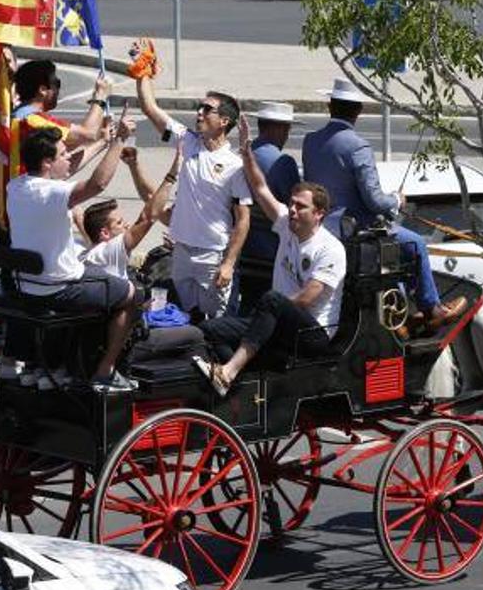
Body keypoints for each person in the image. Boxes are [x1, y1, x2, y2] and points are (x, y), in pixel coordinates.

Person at [193, 117, 346, 397]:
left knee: (271, 299)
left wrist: (267, 316)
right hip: (278, 320)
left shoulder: (330, 249)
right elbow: (261, 188)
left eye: (301, 207)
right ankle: (241, 391)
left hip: (312, 335)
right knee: (209, 329)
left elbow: (307, 299)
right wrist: (247, 153)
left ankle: (228, 372)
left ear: (319, 214)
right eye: (292, 204)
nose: (293, 210)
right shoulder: (287, 226)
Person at [302, 76, 467, 331]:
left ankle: (399, 315)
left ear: (330, 106)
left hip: (321, 226)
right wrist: (396, 201)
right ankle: (431, 308)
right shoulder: (358, 146)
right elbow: (375, 200)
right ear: (358, 111)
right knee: (416, 244)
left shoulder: (310, 141)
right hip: (354, 230)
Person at [7, 113, 142, 392]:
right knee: (133, 295)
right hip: (57, 288)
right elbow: (97, 185)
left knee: (101, 278)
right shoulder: (52, 193)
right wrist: (118, 141)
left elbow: (67, 170)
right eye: (63, 153)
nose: (68, 157)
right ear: (47, 163)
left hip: (28, 286)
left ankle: (60, 364)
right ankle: (105, 370)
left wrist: (102, 143)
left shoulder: (16, 186)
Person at [134, 59, 251, 320]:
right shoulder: (187, 142)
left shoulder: (235, 165)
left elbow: (243, 220)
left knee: (215, 323)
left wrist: (229, 264)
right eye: (199, 107)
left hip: (212, 257)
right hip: (182, 253)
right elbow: (150, 108)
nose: (199, 113)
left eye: (207, 109)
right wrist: (143, 70)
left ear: (224, 121)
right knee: (186, 317)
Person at [0, 57, 112, 245]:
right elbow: (88, 133)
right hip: (21, 218)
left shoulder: (8, 121)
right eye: (56, 84)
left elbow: (64, 167)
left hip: (1, 213)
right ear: (43, 90)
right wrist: (100, 97)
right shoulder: (32, 122)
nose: (58, 90)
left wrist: (103, 142)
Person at [79, 148, 181, 280]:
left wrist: (134, 165)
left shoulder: (87, 254)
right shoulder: (110, 251)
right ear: (104, 233)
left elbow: (152, 202)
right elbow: (149, 214)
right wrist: (171, 175)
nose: (127, 224)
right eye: (119, 222)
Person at [243, 101, 302, 261]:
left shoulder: (242, 154)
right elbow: (293, 205)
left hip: (242, 242)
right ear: (279, 129)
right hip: (272, 245)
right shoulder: (282, 162)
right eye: (287, 130)